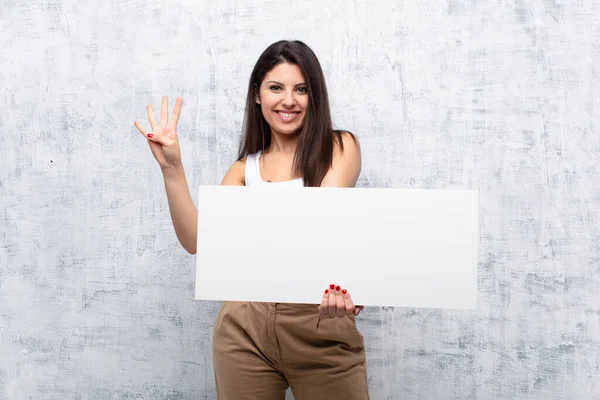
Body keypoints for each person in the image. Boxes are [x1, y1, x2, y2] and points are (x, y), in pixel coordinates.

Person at [134, 40, 369, 399]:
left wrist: (346, 279)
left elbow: (321, 221)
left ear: (314, 96)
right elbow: (199, 242)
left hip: (319, 320)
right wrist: (172, 169)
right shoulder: (245, 169)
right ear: (257, 95)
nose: (288, 100)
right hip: (244, 326)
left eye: (301, 89)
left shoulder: (339, 147)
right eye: (276, 87)